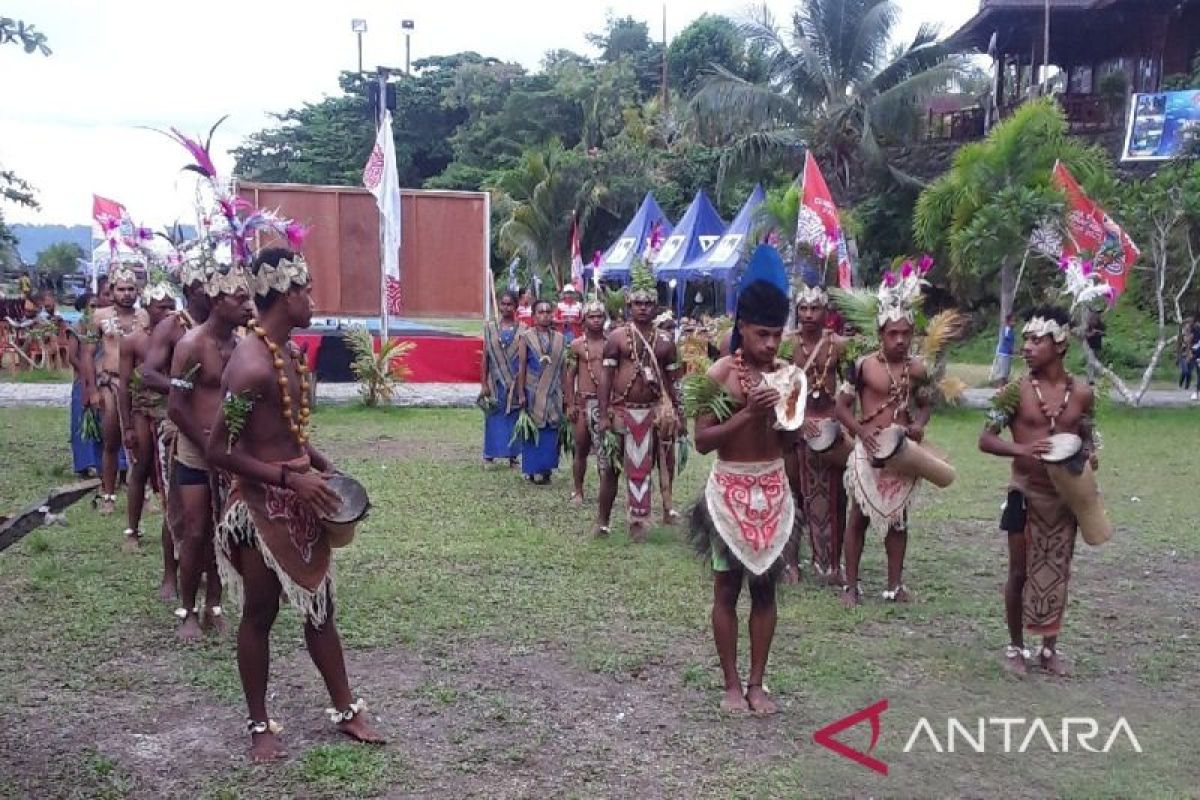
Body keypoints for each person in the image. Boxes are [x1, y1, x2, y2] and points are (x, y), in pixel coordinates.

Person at [208, 247, 384, 761]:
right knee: (259, 616)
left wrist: (321, 467)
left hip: (299, 496)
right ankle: (259, 724)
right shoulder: (250, 364)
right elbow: (221, 450)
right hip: (262, 509)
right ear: (286, 295)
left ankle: (347, 711)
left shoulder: (284, 353)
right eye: (306, 290)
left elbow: (287, 432)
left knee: (321, 609)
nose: (312, 299)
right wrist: (289, 478)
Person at [686, 245, 796, 715]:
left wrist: (785, 424)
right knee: (727, 589)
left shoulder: (790, 379)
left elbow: (790, 447)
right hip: (728, 494)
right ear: (742, 328)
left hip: (773, 491)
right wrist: (749, 413)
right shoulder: (718, 375)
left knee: (766, 591)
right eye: (762, 334)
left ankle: (757, 683)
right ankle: (730, 683)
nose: (771, 345)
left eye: (776, 335)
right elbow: (703, 441)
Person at [979, 305, 1097, 677]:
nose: (1027, 347)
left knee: (1057, 571)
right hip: (1024, 493)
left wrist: (1090, 457)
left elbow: (1088, 438)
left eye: (1036, 340)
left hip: (1064, 497)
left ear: (1060, 344)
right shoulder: (1013, 392)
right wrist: (1021, 449)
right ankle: (1016, 647)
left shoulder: (1082, 394)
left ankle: (1049, 650)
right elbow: (985, 439)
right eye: (1025, 340)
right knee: (1019, 572)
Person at [835, 268, 935, 607]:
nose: (900, 340)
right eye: (893, 333)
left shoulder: (918, 369)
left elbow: (925, 405)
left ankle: (894, 585)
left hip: (901, 450)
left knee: (898, 520)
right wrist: (861, 430)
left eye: (906, 333)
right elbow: (842, 405)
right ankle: (850, 585)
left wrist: (919, 424)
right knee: (858, 516)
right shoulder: (862, 366)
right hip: (869, 448)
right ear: (881, 333)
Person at [167, 261, 252, 640]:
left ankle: (215, 605)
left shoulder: (240, 347)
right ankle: (187, 609)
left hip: (227, 451)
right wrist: (208, 448)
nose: (248, 306)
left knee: (223, 531)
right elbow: (176, 407)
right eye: (240, 298)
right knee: (198, 530)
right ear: (218, 302)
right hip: (195, 450)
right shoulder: (191, 345)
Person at [140, 257, 213, 600]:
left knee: (211, 506)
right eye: (202, 289)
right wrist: (184, 391)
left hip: (214, 426)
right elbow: (149, 373)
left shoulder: (223, 327)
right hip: (177, 422)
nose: (210, 295)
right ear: (188, 291)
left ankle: (209, 575)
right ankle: (171, 573)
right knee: (178, 503)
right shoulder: (173, 326)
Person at [595, 263, 683, 540]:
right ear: (629, 306)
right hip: (622, 410)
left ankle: (639, 518)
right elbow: (606, 378)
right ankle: (602, 521)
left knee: (651, 465)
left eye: (648, 303)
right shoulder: (617, 338)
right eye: (638, 303)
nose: (643, 308)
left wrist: (677, 414)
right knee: (611, 467)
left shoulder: (666, 343)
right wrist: (604, 413)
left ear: (656, 307)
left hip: (653, 412)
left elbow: (672, 383)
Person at [790, 282, 848, 585]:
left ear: (827, 312)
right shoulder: (788, 345)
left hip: (829, 428)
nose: (809, 314)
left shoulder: (839, 345)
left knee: (837, 496)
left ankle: (832, 563)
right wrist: (796, 422)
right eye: (804, 308)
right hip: (792, 430)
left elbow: (851, 389)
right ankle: (791, 563)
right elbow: (778, 389)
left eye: (815, 308)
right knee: (793, 494)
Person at [116, 279, 178, 553]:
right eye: (161, 307)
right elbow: (124, 385)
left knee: (174, 473)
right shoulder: (133, 342)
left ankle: (176, 529)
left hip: (173, 412)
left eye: (171, 307)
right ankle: (132, 530)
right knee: (140, 468)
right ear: (148, 310)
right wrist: (126, 426)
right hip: (143, 411)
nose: (167, 313)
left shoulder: (182, 338)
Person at [81, 265, 146, 516]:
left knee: (141, 440)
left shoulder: (144, 317)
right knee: (111, 439)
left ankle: (143, 491)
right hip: (110, 381)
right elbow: (87, 354)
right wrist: (92, 388)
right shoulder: (99, 316)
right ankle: (108, 494)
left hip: (138, 384)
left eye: (131, 289)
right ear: (112, 290)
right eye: (122, 289)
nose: (127, 294)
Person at [516, 299, 567, 485]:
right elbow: (521, 366)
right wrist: (521, 393)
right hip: (532, 391)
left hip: (553, 391)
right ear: (533, 316)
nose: (545, 315)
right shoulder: (526, 337)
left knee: (551, 430)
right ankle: (531, 469)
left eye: (548, 312)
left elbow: (563, 368)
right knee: (534, 429)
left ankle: (546, 469)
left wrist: (566, 394)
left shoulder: (560, 339)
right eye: (540, 312)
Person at [564, 298, 608, 504]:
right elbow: (569, 376)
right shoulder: (576, 345)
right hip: (583, 404)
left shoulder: (611, 344)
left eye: (600, 316)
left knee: (605, 451)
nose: (596, 321)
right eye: (592, 317)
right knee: (581, 447)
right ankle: (578, 490)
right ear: (584, 319)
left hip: (604, 404)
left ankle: (605, 491)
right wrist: (571, 403)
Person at [480, 290, 524, 468]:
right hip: (496, 382)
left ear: (516, 306)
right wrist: (483, 383)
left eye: (509, 304)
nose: (506, 308)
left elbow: (524, 360)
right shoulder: (490, 329)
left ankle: (513, 455)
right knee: (493, 417)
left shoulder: (523, 330)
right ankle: (490, 454)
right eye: (503, 304)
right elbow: (485, 358)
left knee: (514, 416)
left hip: (515, 383)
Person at [66, 291, 103, 477]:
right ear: (85, 308)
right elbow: (72, 356)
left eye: (98, 306)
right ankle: (83, 465)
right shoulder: (77, 326)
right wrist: (87, 377)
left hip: (102, 379)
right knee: (82, 422)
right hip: (83, 380)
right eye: (92, 306)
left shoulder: (103, 325)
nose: (96, 310)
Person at [991, 312, 1017, 387]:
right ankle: (1000, 389)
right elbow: (1005, 343)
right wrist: (1013, 350)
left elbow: (1011, 344)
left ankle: (1004, 389)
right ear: (1008, 322)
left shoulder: (1011, 331)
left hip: (1008, 354)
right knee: (1003, 375)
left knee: (1006, 374)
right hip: (1004, 354)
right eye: (1012, 321)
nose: (1014, 323)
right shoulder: (1006, 330)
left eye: (1015, 321)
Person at [1083, 308, 1105, 386]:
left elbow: (1104, 333)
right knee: (1091, 361)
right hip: (1088, 344)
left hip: (1096, 345)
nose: (1097, 315)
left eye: (1098, 313)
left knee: (1093, 362)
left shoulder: (1100, 324)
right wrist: (1091, 334)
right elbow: (1085, 334)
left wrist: (1098, 332)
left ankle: (1090, 378)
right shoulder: (1089, 323)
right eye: (1096, 313)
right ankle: (1091, 380)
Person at [1177, 317, 1195, 392]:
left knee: (1189, 373)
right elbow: (1178, 346)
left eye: (1189, 327)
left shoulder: (1194, 336)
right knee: (1185, 371)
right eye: (1186, 328)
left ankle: (1187, 387)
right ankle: (1180, 385)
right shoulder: (1181, 336)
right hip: (1183, 356)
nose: (1187, 329)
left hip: (1191, 356)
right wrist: (1178, 356)